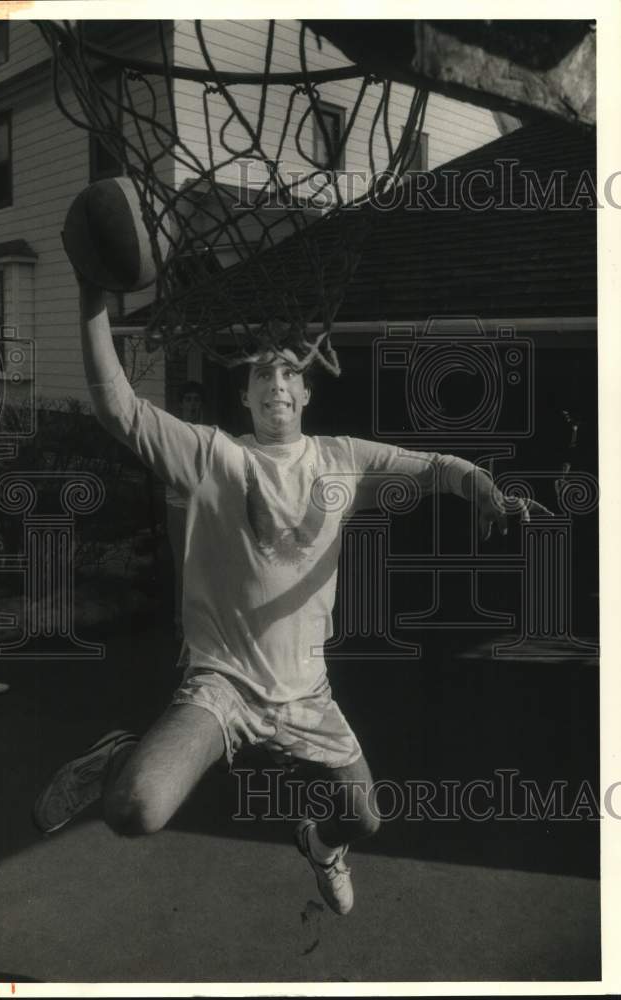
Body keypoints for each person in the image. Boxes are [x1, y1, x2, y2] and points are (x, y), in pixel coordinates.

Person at [33, 278, 544, 916]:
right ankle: (116, 758)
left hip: (309, 693)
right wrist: (90, 301)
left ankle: (320, 845)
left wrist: (485, 489)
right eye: (262, 376)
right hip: (226, 684)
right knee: (135, 811)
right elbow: (119, 410)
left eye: (289, 374)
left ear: (305, 392)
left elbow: (438, 467)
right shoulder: (211, 455)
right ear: (245, 397)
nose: (276, 383)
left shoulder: (344, 458)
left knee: (366, 821)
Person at [165, 380, 204, 638]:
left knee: (201, 564)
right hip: (177, 505)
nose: (191, 405)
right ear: (182, 404)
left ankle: (201, 620)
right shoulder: (173, 431)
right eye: (187, 400)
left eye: (196, 400)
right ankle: (181, 622)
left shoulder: (205, 433)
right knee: (182, 564)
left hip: (201, 508)